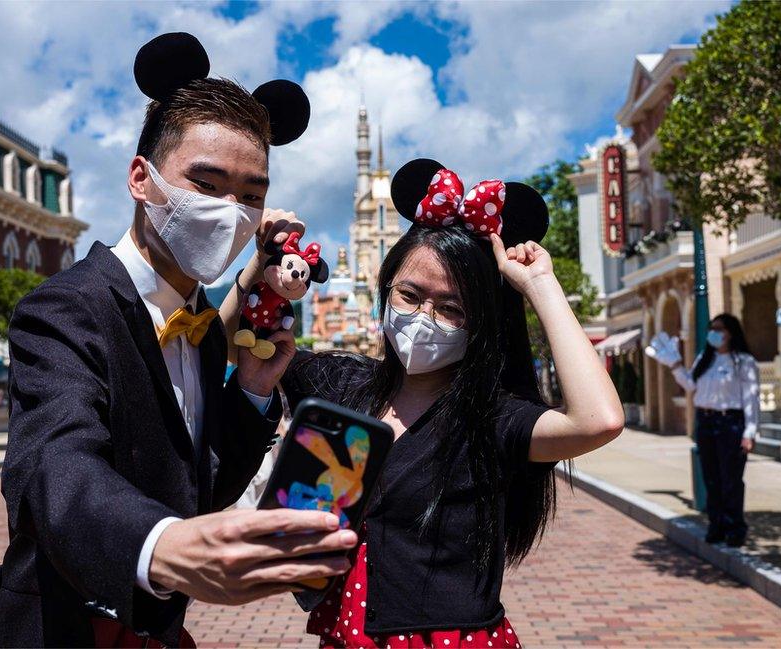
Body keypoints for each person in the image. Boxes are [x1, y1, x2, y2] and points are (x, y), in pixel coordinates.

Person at [0, 33, 358, 648]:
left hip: (160, 631)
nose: (229, 211)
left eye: (251, 196)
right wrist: (162, 544)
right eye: (206, 185)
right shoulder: (64, 308)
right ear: (141, 178)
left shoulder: (205, 328)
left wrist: (251, 391)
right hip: (64, 629)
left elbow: (203, 484)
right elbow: (54, 466)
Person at [221, 159, 625, 648]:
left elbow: (598, 420)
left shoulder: (491, 420)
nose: (423, 318)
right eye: (409, 295)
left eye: (451, 307)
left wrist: (540, 285)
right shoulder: (345, 385)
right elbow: (229, 346)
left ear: (481, 323)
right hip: (348, 634)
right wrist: (257, 262)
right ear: (386, 289)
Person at [646, 313, 760, 546]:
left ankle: (735, 527)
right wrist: (675, 364)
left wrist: (750, 432)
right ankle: (716, 525)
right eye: (712, 329)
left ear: (731, 333)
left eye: (720, 329)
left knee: (731, 479)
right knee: (712, 477)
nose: (714, 333)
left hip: (731, 423)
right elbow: (690, 384)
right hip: (706, 422)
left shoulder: (743, 362)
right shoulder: (704, 359)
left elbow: (751, 399)